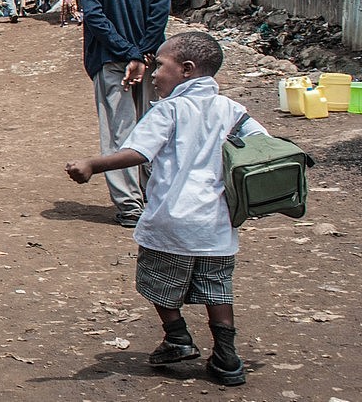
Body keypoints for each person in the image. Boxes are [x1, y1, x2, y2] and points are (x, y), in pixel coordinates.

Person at [65, 32, 263, 387]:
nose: (153, 73)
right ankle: (227, 358)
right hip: (217, 223)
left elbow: (139, 152)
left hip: (171, 221)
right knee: (218, 290)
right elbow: (262, 145)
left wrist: (93, 164)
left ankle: (177, 336)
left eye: (159, 65)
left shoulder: (169, 109)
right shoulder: (232, 110)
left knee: (156, 282)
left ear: (186, 70)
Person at [80, 0, 172, 227]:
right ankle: (155, 196)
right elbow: (160, 13)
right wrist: (143, 53)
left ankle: (129, 206)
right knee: (153, 128)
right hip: (153, 62)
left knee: (119, 133)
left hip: (110, 61)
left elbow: (94, 18)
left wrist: (126, 52)